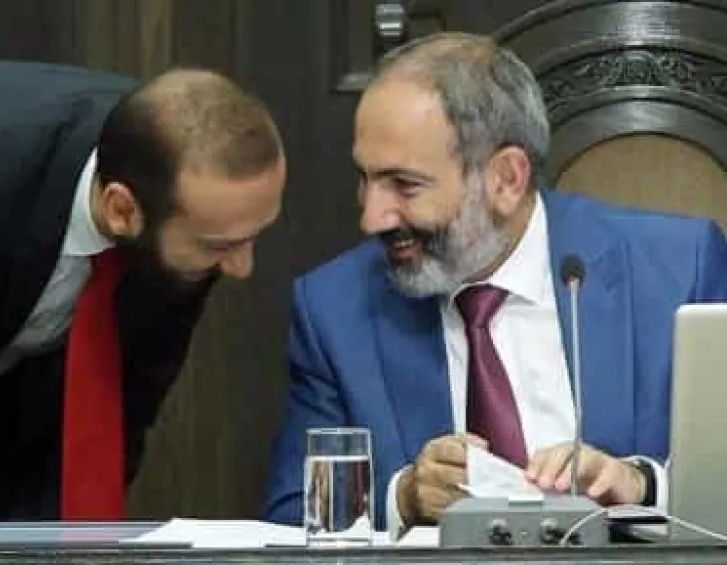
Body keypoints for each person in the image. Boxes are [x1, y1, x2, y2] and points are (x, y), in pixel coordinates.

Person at [262, 32, 727, 536]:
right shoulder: (335, 308)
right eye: (365, 178)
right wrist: (403, 498)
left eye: (405, 185)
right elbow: (292, 515)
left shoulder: (679, 270)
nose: (372, 217)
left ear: (506, 178)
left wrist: (642, 484)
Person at [0, 59, 285, 520]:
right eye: (221, 245)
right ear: (121, 210)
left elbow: (114, 415)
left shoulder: (180, 178)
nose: (242, 268)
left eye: (253, 235)